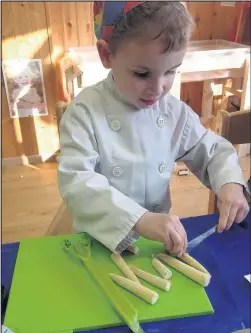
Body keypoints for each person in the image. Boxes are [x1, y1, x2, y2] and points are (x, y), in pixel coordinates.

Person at [57, 2, 249, 256]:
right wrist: (139, 219)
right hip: (99, 242)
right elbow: (77, 182)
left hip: (157, 243)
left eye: (171, 71)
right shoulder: (84, 113)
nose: (158, 89)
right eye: (142, 74)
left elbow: (212, 149)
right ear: (106, 55)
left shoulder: (172, 111)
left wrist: (229, 183)